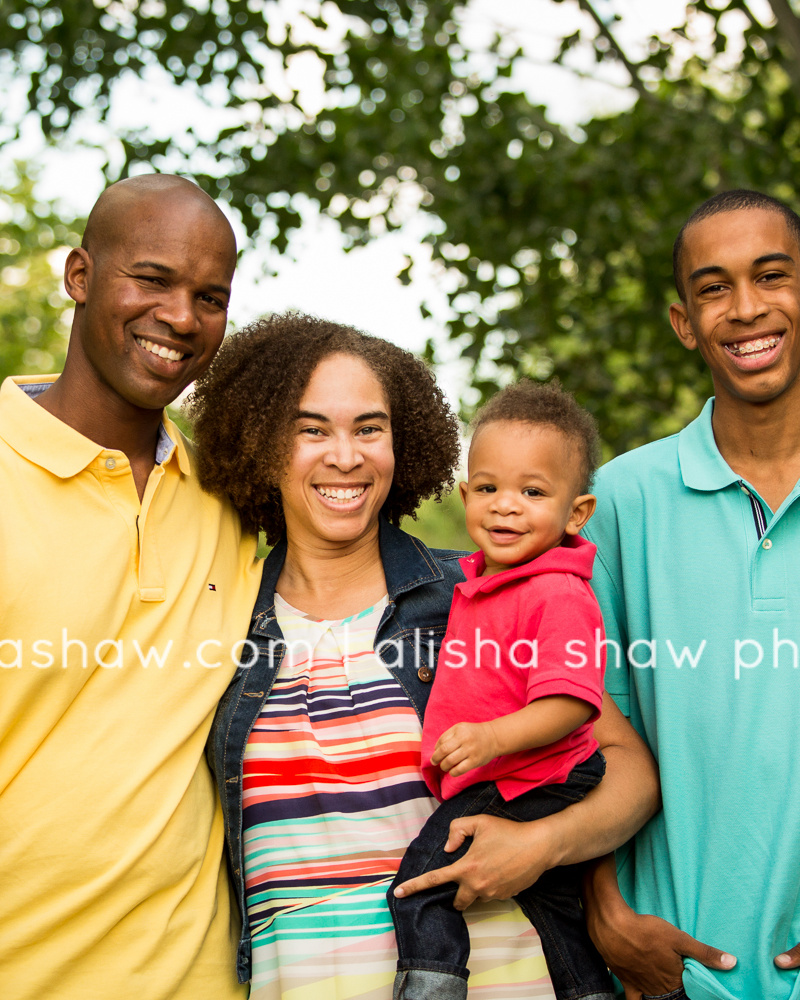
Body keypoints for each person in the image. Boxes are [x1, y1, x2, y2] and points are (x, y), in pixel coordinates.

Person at [188, 311, 660, 999]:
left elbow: (630, 773)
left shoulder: (480, 593)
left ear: (400, 442)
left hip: (511, 975)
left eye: (369, 429)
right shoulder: (220, 620)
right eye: (311, 428)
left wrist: (542, 845)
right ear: (260, 444)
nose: (344, 456)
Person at [0, 174, 262, 1000]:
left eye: (210, 296)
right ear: (79, 276)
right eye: (151, 280)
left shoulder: (234, 498)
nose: (182, 318)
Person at [582, 189, 800, 1000]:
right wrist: (605, 909)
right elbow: (574, 723)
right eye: (714, 288)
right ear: (685, 324)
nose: (746, 309)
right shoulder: (618, 502)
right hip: (667, 976)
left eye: (772, 277)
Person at [389, 379, 613, 1000]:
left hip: (535, 776)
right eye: (488, 488)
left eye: (532, 492)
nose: (505, 506)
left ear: (576, 513)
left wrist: (492, 738)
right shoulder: (477, 582)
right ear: (465, 496)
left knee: (423, 884)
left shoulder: (558, 592)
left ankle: (431, 987)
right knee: (557, 914)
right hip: (514, 775)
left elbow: (572, 702)